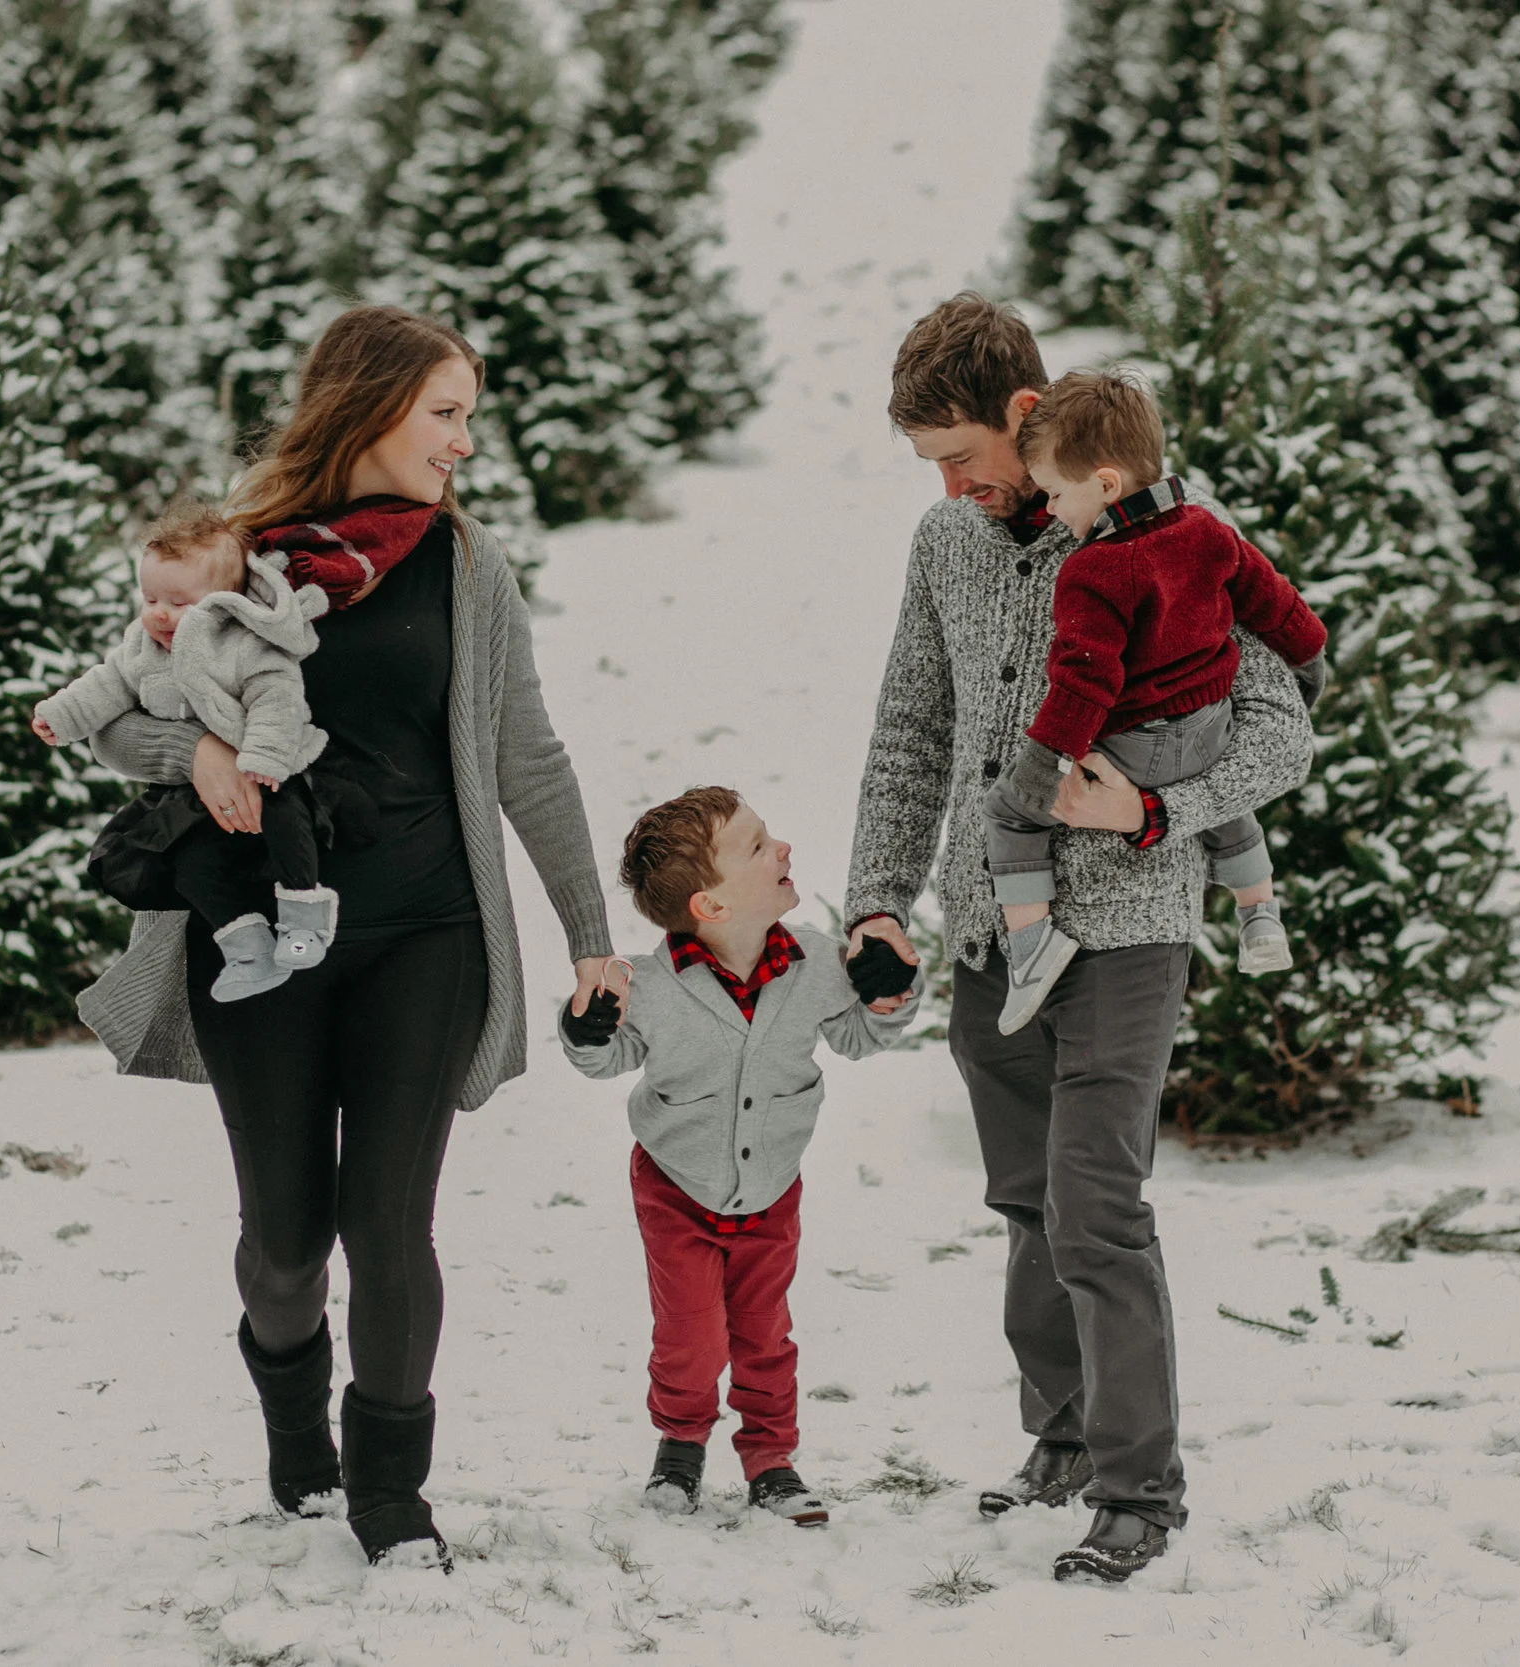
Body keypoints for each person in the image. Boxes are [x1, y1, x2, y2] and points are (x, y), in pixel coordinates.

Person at [70, 305, 622, 1569]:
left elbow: (527, 754)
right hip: (258, 932)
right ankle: (295, 1435)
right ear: (369, 406)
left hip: (427, 929)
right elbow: (120, 716)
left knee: (388, 1224)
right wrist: (200, 752)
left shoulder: (465, 563)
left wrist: (589, 931)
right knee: (284, 1247)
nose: (463, 442)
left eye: (468, 415)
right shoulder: (238, 556)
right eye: (446, 413)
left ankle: (389, 1493)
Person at [842, 293, 1314, 1583]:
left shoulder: (1164, 531)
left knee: (1096, 1208)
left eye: (961, 454)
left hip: (1127, 927)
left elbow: (1281, 729)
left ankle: (1137, 1490)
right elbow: (909, 730)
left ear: (1025, 412)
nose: (951, 484)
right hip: (988, 928)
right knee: (1025, 1203)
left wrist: (1155, 809)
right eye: (930, 465)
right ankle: (1058, 1439)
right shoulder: (947, 541)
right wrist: (877, 897)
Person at [558, 787, 913, 1527]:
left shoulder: (817, 962)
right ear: (710, 906)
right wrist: (586, 1028)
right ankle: (680, 1443)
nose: (782, 847)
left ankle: (771, 1459)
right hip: (676, 1187)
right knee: (690, 1334)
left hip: (771, 1189)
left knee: (763, 1330)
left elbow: (858, 1036)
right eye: (756, 847)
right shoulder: (650, 987)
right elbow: (606, 1056)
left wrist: (887, 996)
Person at [982, 368, 1328, 1033]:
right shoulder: (1207, 531)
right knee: (1225, 805)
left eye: (1056, 493)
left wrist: (1045, 761)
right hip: (1212, 727)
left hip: (1133, 749)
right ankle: (1260, 915)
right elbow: (1272, 599)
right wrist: (1307, 659)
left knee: (1010, 815)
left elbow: (1084, 680)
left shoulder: (1091, 570)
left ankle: (1032, 946)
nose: (1050, 509)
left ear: (1106, 484)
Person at [31, 501, 347, 1002]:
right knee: (190, 863)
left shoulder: (247, 644)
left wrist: (265, 757)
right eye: (150, 597)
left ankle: (304, 921)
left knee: (288, 826)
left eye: (179, 603)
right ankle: (248, 950)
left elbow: (277, 696)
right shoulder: (144, 646)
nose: (159, 612)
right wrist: (62, 716)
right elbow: (107, 684)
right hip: (193, 794)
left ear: (225, 602)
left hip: (270, 768)